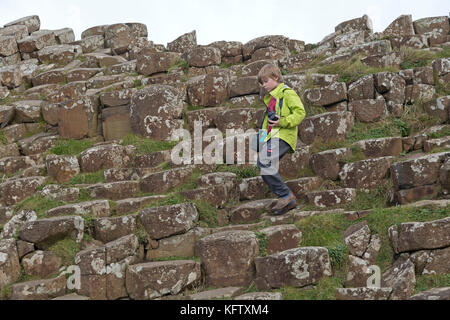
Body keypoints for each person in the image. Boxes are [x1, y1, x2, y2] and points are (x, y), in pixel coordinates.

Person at [256, 64, 306, 216]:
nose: (264, 86)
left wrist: (282, 121)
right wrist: (261, 142)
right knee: (262, 163)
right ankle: (286, 198)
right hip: (273, 138)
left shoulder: (287, 93)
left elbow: (300, 112)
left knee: (264, 162)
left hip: (284, 136)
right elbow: (266, 124)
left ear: (275, 77)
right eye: (262, 83)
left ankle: (286, 195)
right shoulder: (270, 100)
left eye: (265, 81)